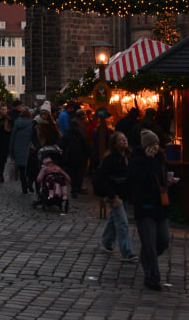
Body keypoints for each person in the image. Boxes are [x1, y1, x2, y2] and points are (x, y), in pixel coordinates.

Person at [128, 129, 170, 291]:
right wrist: (148, 161)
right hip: (145, 206)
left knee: (163, 239)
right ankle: (153, 277)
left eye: (157, 144)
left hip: (161, 205)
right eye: (152, 144)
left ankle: (147, 257)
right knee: (150, 243)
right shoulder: (137, 160)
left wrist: (168, 181)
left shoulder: (161, 159)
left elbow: (162, 177)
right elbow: (137, 178)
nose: (155, 147)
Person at [96, 131, 137, 261]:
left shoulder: (129, 157)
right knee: (122, 223)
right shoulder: (111, 159)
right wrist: (112, 195)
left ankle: (106, 242)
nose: (124, 141)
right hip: (114, 196)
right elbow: (103, 179)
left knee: (114, 220)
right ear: (114, 144)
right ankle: (127, 252)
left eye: (125, 139)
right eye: (121, 140)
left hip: (124, 194)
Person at [60, 109, 91, 198]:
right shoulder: (80, 133)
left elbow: (62, 144)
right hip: (80, 156)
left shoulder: (67, 133)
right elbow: (85, 144)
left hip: (69, 156)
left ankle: (74, 189)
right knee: (79, 172)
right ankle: (77, 188)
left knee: (72, 173)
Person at [9, 105, 35, 193]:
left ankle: (24, 187)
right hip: (28, 150)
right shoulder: (32, 124)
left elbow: (12, 138)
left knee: (21, 170)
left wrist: (11, 152)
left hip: (17, 149)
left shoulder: (17, 123)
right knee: (29, 169)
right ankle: (29, 184)